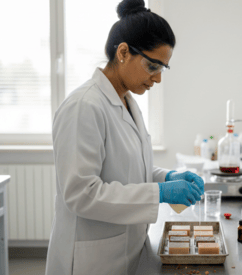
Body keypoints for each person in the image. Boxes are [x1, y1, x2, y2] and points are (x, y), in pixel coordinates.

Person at [45, 0, 204, 274]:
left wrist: (165, 177)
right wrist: (159, 192)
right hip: (91, 258)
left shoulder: (127, 101)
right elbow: (81, 193)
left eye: (163, 69)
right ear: (122, 52)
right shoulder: (84, 106)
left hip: (125, 248)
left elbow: (128, 168)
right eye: (153, 66)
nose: (157, 79)